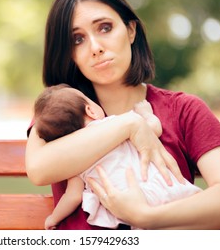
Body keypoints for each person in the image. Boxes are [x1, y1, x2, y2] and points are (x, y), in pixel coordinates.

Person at [25, 0, 220, 229]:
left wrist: (145, 218)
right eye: (78, 39)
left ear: (131, 30)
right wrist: (129, 125)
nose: (96, 48)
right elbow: (38, 168)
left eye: (105, 28)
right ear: (69, 53)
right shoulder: (61, 109)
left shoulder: (184, 110)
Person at [34, 84, 202, 230]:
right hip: (162, 186)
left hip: (131, 205)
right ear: (90, 110)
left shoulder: (74, 160)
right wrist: (147, 114)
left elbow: (73, 197)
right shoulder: (114, 125)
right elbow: (155, 129)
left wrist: (53, 218)